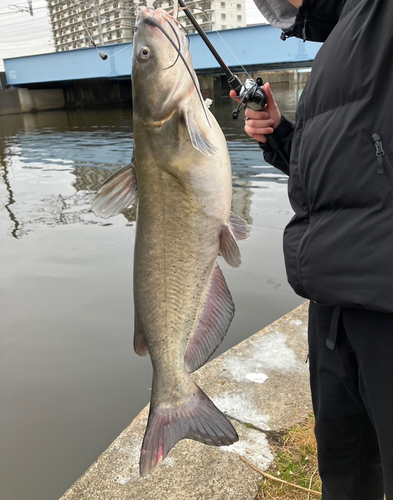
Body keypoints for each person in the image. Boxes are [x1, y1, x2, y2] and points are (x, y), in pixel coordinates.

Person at [231, 1, 393, 499]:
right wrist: (282, 137)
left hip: (384, 301)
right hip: (333, 311)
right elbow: (352, 168)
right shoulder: (339, 35)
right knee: (345, 478)